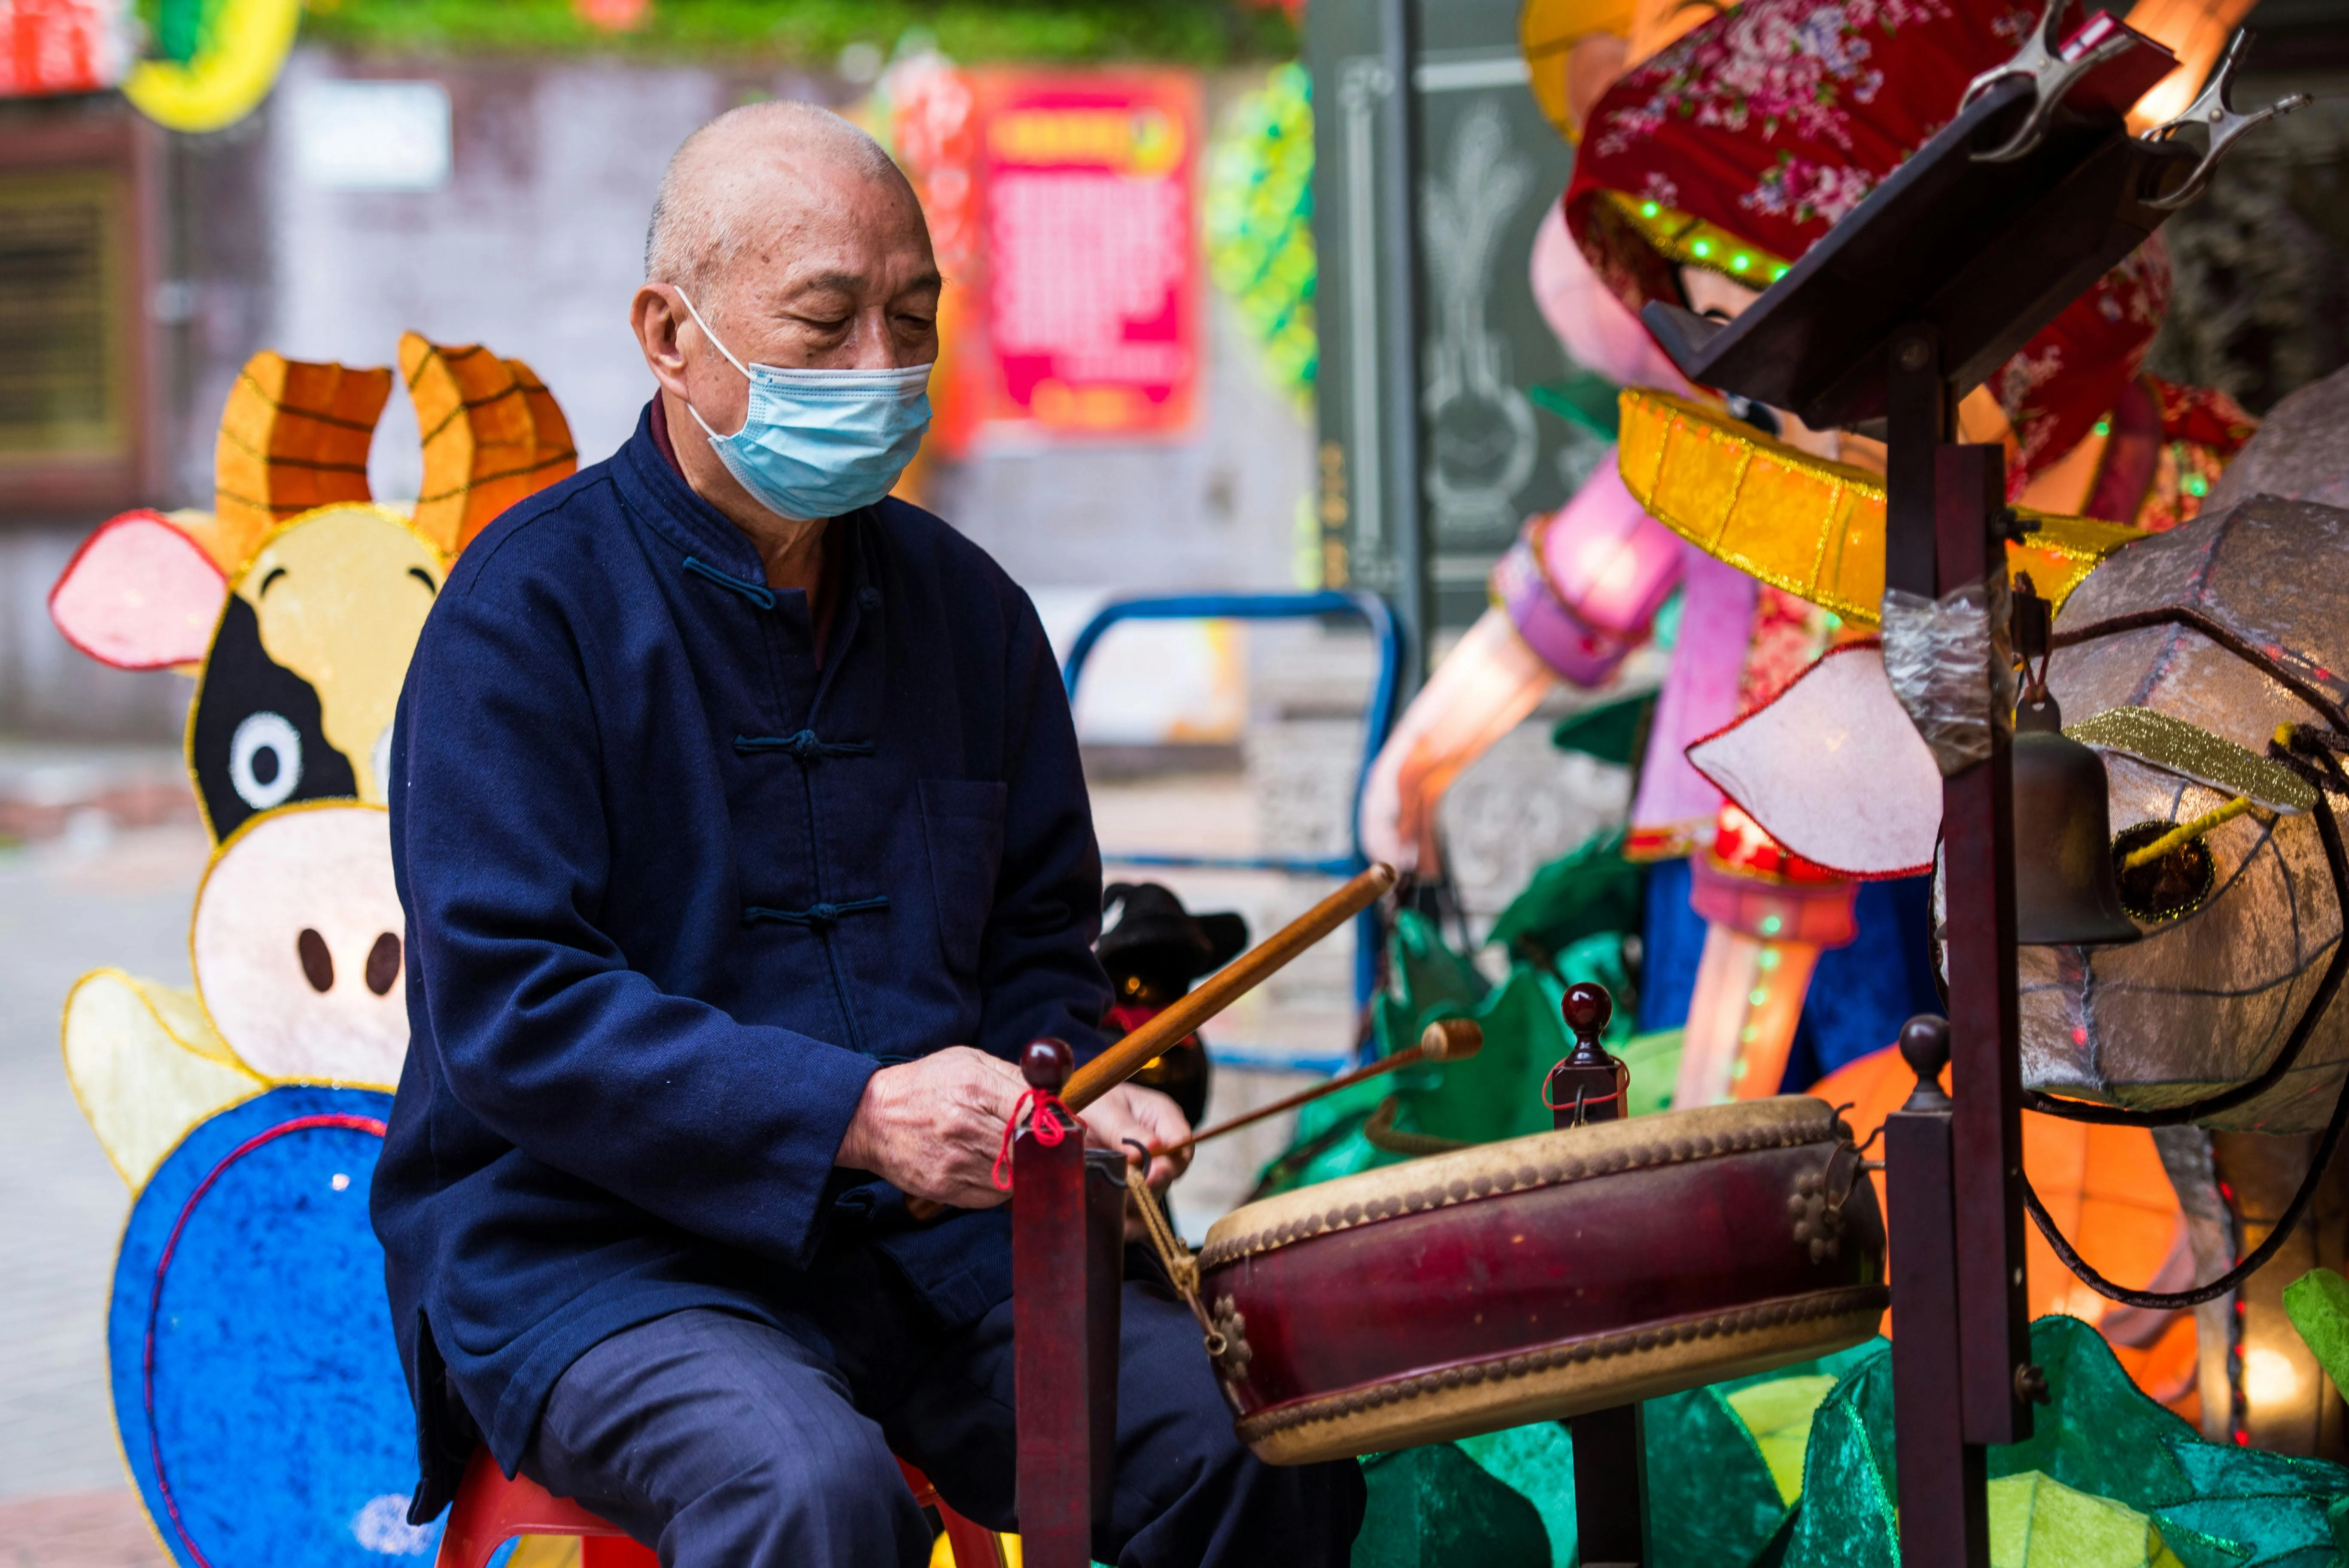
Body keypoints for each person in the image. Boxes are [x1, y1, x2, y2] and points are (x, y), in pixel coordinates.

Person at [371, 100, 1366, 1568]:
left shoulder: (973, 615)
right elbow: (517, 1013)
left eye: (913, 318)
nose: (882, 370)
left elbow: (1038, 951)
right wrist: (855, 1113)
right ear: (668, 331)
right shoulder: (523, 616)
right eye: (825, 322)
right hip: (592, 1249)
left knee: (1252, 1431)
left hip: (933, 1255)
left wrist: (1075, 1099)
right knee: (810, 1494)